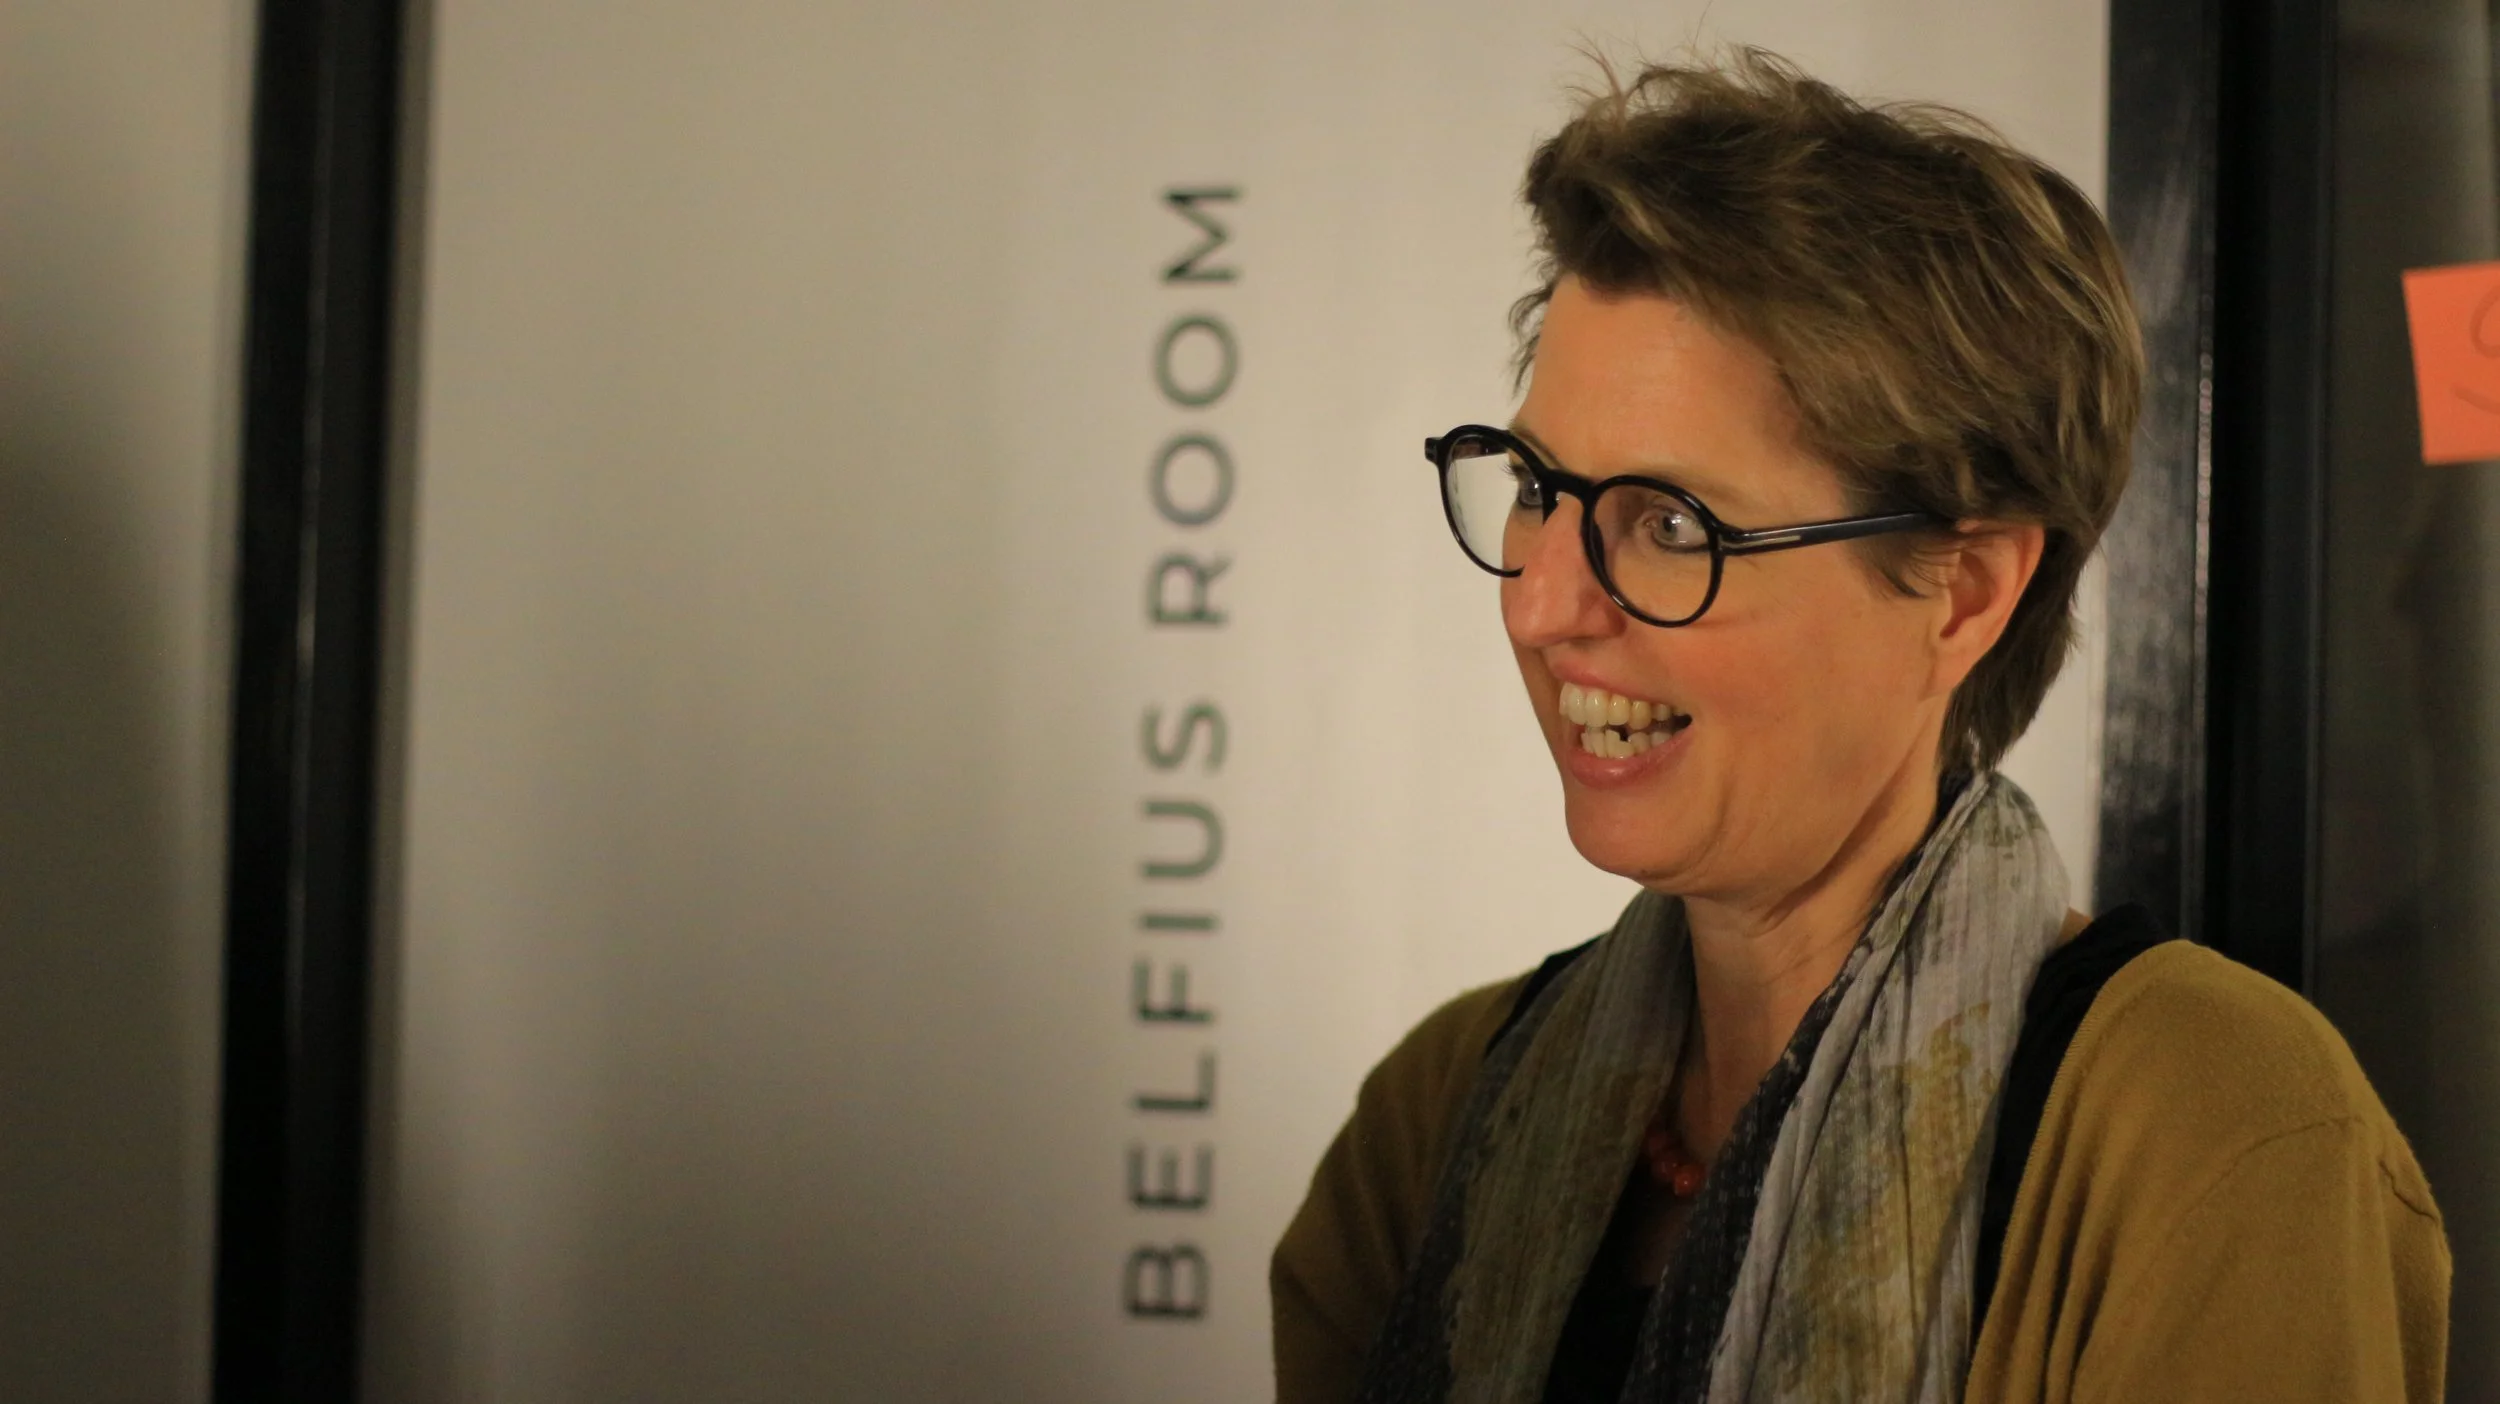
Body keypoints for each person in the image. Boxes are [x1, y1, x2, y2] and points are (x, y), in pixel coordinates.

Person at [1271, 50, 2449, 1404]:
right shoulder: (1433, 1118)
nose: (1541, 605)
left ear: (1964, 592)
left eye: (1673, 525)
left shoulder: (2217, 1131)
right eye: (1538, 487)